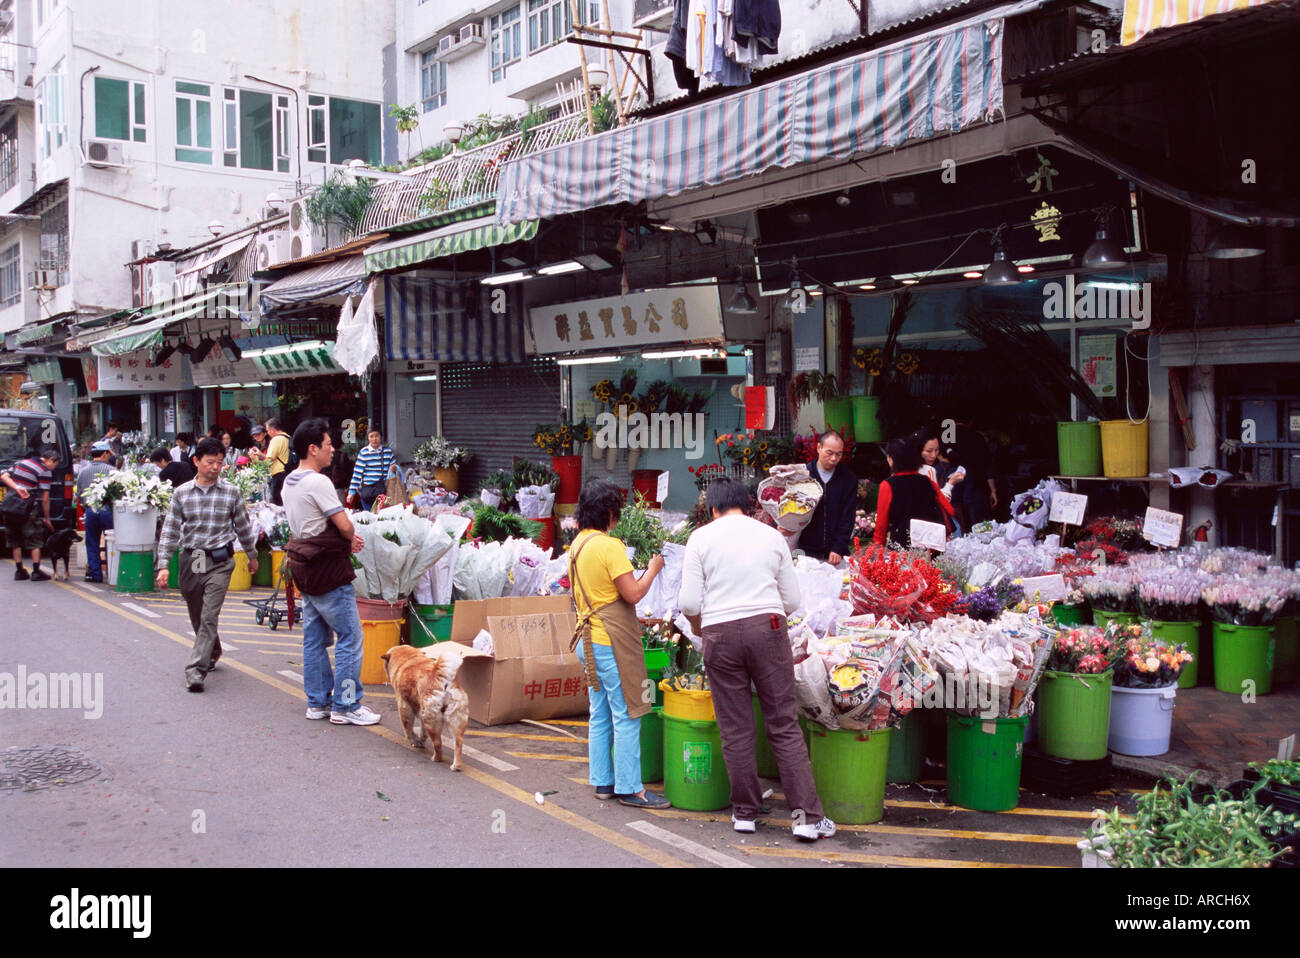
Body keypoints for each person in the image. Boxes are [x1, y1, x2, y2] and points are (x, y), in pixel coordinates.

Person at [678, 477, 835, 840]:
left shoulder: (700, 538)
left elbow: (688, 603)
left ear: (713, 508)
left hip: (719, 633)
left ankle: (745, 813)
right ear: (749, 506)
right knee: (782, 724)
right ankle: (808, 819)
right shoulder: (770, 536)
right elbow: (793, 602)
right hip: (768, 628)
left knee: (735, 729)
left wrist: (703, 626)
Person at [569, 479, 669, 809]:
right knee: (628, 713)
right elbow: (633, 593)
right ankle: (630, 788)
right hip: (610, 643)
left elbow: (600, 597)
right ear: (610, 512)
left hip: (589, 642)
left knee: (599, 713)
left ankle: (603, 783)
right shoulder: (610, 546)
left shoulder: (578, 544)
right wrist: (653, 569)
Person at [282, 418, 379, 726]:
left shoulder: (289, 481)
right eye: (327, 445)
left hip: (304, 567)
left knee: (314, 638)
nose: (333, 450)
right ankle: (347, 705)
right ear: (312, 449)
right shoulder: (318, 482)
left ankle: (318, 703)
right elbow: (344, 525)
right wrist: (351, 537)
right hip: (328, 570)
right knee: (350, 636)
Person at [154, 437, 259, 692]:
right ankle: (213, 648)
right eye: (210, 462)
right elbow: (170, 530)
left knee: (209, 614)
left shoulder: (231, 492)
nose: (215, 467)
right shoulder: (181, 493)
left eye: (220, 463)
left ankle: (195, 671)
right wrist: (164, 564)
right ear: (196, 461)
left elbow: (243, 527)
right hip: (192, 558)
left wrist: (252, 554)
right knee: (197, 612)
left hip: (220, 561)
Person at [873, 435, 954, 548]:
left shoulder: (887, 485)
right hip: (930, 548)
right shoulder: (927, 481)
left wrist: (878, 546)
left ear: (892, 459)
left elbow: (881, 526)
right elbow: (949, 510)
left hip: (901, 550)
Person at [798, 430, 858, 565]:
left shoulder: (848, 479)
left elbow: (847, 516)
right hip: (806, 550)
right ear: (819, 448)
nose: (834, 459)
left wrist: (839, 546)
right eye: (829, 453)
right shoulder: (803, 475)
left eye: (839, 454)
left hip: (835, 553)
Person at [1, 445, 60, 581]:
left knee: (14, 539)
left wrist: (16, 487)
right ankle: (36, 571)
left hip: (10, 507)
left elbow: (4, 475)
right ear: (50, 460)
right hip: (27, 509)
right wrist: (47, 518)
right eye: (55, 465)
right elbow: (45, 498)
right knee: (34, 540)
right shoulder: (44, 470)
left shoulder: (20, 462)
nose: (54, 468)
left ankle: (19, 570)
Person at [943, 420, 997, 527]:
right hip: (976, 483)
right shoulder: (978, 438)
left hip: (955, 480)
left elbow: (943, 456)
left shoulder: (948, 434)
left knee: (955, 516)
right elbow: (988, 466)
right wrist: (993, 490)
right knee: (977, 521)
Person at [76, 440, 115, 583]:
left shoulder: (83, 472)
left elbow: (79, 494)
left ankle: (96, 574)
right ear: (104, 454)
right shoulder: (112, 471)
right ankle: (113, 573)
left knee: (92, 543)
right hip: (108, 511)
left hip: (90, 511)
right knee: (112, 541)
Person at [347, 428, 396, 511]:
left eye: (376, 436)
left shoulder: (388, 452)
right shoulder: (364, 452)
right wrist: (351, 493)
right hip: (368, 491)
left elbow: (394, 473)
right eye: (371, 436)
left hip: (383, 491)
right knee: (370, 518)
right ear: (368, 438)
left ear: (381, 437)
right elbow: (357, 474)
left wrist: (393, 469)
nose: (374, 439)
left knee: (382, 517)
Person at [264, 418, 290, 505]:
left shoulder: (276, 440)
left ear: (272, 430)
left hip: (278, 474)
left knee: (278, 503)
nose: (267, 433)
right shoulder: (287, 438)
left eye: (267, 430)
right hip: (287, 472)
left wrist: (256, 461)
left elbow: (269, 460)